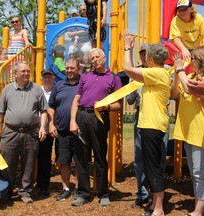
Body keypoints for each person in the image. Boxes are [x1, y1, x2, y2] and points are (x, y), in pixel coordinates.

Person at [123, 29, 171, 216]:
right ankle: (154, 205)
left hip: (152, 125)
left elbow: (127, 68)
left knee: (153, 168)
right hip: (150, 124)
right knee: (152, 166)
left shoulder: (157, 73)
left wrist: (127, 47)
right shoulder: (159, 73)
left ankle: (158, 208)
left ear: (151, 60)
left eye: (147, 56)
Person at [0, 61, 47, 204]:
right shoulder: (7, 90)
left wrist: (43, 126)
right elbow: (0, 113)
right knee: (7, 163)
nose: (26, 74)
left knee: (29, 163)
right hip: (10, 132)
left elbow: (43, 110)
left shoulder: (37, 89)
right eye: (23, 71)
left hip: (31, 132)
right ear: (15, 73)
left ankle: (25, 192)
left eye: (28, 71)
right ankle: (6, 190)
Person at [70, 48, 122, 207]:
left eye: (97, 57)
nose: (94, 60)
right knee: (81, 157)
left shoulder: (113, 78)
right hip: (82, 116)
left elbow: (119, 105)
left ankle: (103, 193)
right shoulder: (85, 76)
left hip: (99, 118)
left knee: (100, 156)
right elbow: (76, 99)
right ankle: (84, 193)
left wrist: (105, 108)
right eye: (92, 58)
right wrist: (73, 120)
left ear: (104, 58)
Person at [172, 46, 204, 216]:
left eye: (193, 58)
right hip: (188, 130)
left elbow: (191, 89)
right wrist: (178, 74)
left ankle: (199, 211)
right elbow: (175, 94)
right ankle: (198, 207)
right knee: (194, 171)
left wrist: (180, 68)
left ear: (202, 60)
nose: (190, 61)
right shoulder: (188, 76)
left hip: (200, 129)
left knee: (200, 172)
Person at [48, 58, 80, 202]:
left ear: (78, 69)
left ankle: (79, 189)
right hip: (62, 131)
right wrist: (50, 124)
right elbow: (51, 106)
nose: (69, 70)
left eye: (72, 68)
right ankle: (66, 188)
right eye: (67, 68)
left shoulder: (83, 84)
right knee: (64, 161)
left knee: (80, 161)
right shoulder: (59, 85)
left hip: (80, 131)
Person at [125, 44, 150, 209]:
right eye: (142, 54)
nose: (144, 57)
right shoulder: (134, 73)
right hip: (140, 114)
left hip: (157, 115)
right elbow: (129, 100)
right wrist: (133, 88)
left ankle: (156, 195)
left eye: (147, 54)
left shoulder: (163, 70)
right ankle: (142, 194)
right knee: (139, 157)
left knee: (157, 157)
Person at [36, 69, 55, 197]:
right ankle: (31, 182)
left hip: (49, 130)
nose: (47, 79)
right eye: (45, 77)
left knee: (45, 158)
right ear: (41, 79)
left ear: (53, 78)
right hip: (34, 129)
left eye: (49, 77)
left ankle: (43, 185)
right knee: (31, 157)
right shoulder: (37, 91)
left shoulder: (56, 91)